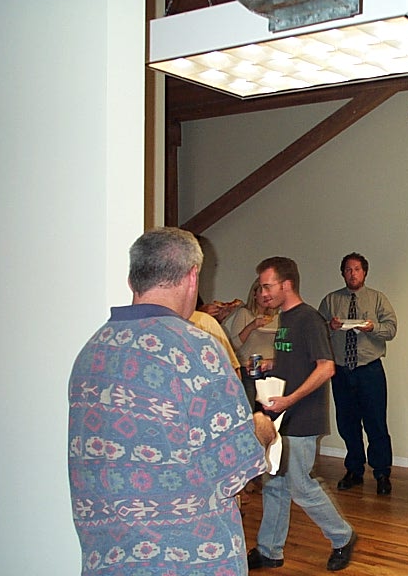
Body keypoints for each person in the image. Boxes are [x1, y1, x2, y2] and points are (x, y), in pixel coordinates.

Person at [67, 227, 276, 576]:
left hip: (108, 559)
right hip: (187, 560)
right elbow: (235, 469)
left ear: (133, 279)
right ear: (192, 277)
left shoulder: (93, 351)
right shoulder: (196, 349)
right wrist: (261, 429)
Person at [247, 256, 357, 572]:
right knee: (274, 484)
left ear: (287, 284)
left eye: (267, 286)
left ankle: (343, 536)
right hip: (282, 417)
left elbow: (326, 368)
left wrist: (290, 399)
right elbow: (299, 361)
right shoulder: (286, 318)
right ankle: (269, 550)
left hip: (302, 416)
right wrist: (272, 364)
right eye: (261, 288)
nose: (262, 293)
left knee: (300, 486)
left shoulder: (309, 319)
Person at [318, 253, 398, 496]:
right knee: (347, 423)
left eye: (357, 269)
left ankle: (382, 473)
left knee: (376, 422)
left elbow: (391, 329)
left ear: (365, 272)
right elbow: (317, 331)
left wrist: (373, 328)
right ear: (343, 273)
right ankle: (354, 469)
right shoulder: (331, 300)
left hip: (369, 370)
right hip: (341, 371)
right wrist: (329, 327)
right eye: (348, 270)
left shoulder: (377, 298)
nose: (352, 274)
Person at [224, 277, 280, 410]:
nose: (266, 295)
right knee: (249, 411)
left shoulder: (278, 318)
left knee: (270, 412)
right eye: (262, 291)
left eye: (269, 291)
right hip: (248, 370)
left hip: (271, 371)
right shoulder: (244, 313)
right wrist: (252, 326)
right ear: (254, 294)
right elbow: (234, 346)